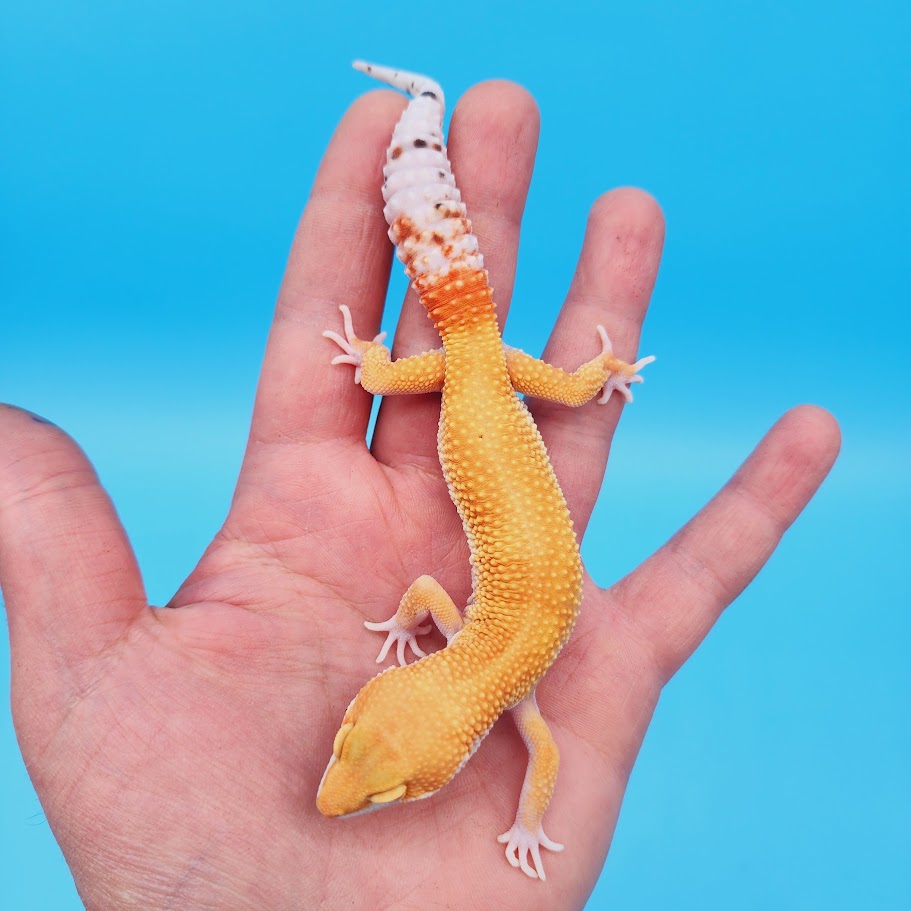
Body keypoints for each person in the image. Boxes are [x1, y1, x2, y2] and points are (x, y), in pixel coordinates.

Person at [0, 79, 839, 910]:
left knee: (542, 383)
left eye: (362, 770)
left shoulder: (504, 684)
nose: (339, 787)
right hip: (480, 370)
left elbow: (519, 725)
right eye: (369, 774)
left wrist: (420, 639)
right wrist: (410, 617)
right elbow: (455, 636)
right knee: (526, 383)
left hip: (473, 372)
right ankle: (437, 160)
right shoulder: (480, 660)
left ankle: (428, 134)